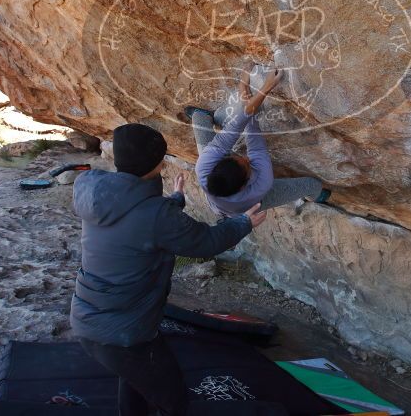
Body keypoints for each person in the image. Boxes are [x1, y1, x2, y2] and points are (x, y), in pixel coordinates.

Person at [69, 123, 266, 416]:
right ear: (158, 163)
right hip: (125, 331)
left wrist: (174, 201)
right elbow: (206, 241)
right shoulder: (157, 215)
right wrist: (244, 223)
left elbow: (135, 220)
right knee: (172, 399)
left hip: (89, 317)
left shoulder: (96, 191)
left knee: (136, 379)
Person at [189, 68, 330, 218]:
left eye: (239, 159)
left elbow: (233, 129)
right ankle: (318, 195)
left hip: (220, 201)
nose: (246, 158)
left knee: (199, 118)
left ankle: (202, 116)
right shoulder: (262, 184)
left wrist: (243, 88)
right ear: (245, 184)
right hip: (251, 204)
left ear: (217, 165)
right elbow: (254, 139)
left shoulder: (203, 168)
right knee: (311, 185)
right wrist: (266, 87)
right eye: (247, 165)